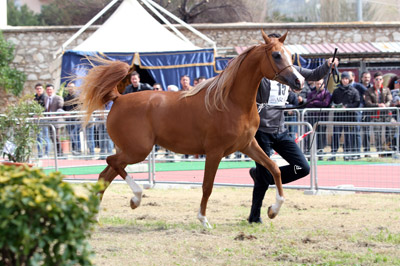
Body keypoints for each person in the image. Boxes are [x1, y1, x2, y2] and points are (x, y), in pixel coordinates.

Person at [248, 33, 339, 224]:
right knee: (264, 176)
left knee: (302, 167)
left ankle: (261, 175)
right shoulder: (259, 75)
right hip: (261, 132)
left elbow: (313, 75)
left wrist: (327, 64)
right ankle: (254, 216)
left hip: (280, 130)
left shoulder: (289, 69)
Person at [327, 72, 360, 161]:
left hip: (349, 117)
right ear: (341, 79)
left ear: (349, 80)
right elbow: (331, 101)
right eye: (343, 78)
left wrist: (347, 107)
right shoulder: (336, 90)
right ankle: (333, 154)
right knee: (336, 136)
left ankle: (347, 154)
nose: (345, 80)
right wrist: (333, 106)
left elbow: (357, 103)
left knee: (348, 136)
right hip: (338, 117)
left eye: (346, 78)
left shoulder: (354, 91)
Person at [364, 72, 393, 155]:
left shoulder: (386, 90)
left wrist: (385, 105)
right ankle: (379, 151)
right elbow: (368, 103)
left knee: (393, 127)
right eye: (377, 79)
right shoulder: (369, 91)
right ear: (374, 80)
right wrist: (378, 105)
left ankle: (387, 145)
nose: (378, 81)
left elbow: (389, 100)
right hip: (375, 115)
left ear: (382, 80)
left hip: (386, 114)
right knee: (377, 133)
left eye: (380, 79)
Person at [305, 78, 332, 159]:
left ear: (324, 84)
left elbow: (325, 103)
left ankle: (320, 151)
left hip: (322, 117)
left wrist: (314, 102)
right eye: (317, 84)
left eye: (320, 84)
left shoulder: (327, 93)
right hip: (312, 116)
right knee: (312, 134)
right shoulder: (311, 93)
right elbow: (308, 103)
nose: (319, 85)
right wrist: (318, 102)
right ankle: (311, 151)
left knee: (321, 134)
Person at [349, 71, 368, 160]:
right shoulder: (345, 86)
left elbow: (367, 92)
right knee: (350, 132)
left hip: (357, 110)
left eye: (349, 76)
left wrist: (362, 103)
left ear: (353, 77)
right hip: (349, 111)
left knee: (357, 131)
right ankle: (351, 151)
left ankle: (358, 152)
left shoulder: (358, 86)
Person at [45, 84, 64, 157]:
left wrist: (55, 115)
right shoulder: (46, 98)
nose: (49, 91)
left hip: (57, 121)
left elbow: (60, 107)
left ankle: (60, 153)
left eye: (50, 89)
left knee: (56, 137)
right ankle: (58, 152)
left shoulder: (58, 98)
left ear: (53, 90)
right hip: (49, 121)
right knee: (51, 137)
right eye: (47, 90)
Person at [63, 82, 81, 155]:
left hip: (75, 119)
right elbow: (64, 107)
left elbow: (79, 108)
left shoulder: (77, 96)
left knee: (75, 134)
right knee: (71, 134)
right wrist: (64, 113)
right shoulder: (66, 97)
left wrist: (71, 113)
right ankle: (74, 150)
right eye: (69, 87)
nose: (70, 88)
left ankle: (78, 149)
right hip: (68, 119)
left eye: (72, 87)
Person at [34, 83, 49, 157]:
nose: (39, 90)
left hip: (44, 119)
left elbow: (46, 108)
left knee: (45, 136)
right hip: (37, 120)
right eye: (37, 89)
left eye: (40, 88)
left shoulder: (45, 98)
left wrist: (41, 114)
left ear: (43, 89)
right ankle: (40, 153)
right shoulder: (35, 98)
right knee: (38, 137)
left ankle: (46, 153)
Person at [360, 71, 373, 156]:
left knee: (367, 131)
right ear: (362, 78)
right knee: (356, 131)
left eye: (368, 77)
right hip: (359, 110)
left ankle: (367, 150)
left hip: (368, 111)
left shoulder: (372, 87)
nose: (366, 79)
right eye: (365, 77)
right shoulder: (358, 87)